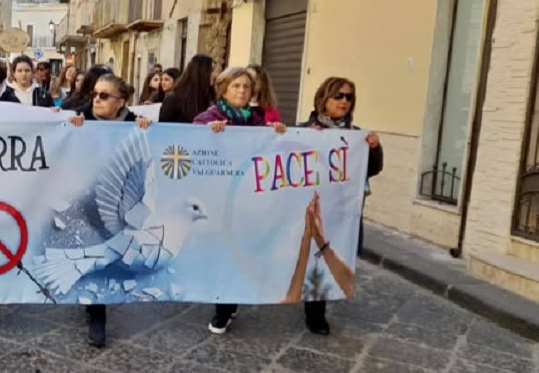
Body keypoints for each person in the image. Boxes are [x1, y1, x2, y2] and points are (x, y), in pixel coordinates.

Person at [193, 67, 286, 335]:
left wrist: (277, 133)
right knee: (224, 253)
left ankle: (229, 300)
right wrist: (208, 135)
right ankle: (223, 308)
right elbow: (191, 149)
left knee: (241, 251)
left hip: (248, 200)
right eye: (236, 86)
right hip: (218, 199)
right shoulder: (207, 119)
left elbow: (271, 153)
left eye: (246, 87)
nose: (242, 91)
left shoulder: (258, 121)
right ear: (224, 90)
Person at [66, 73, 151, 348]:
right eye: (95, 94)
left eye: (104, 96)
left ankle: (97, 302)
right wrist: (68, 125)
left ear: (121, 101)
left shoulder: (134, 122)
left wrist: (149, 128)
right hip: (88, 200)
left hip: (121, 202)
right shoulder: (79, 118)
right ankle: (96, 314)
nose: (97, 100)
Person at [295, 76, 383, 335]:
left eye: (349, 97)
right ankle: (307, 306)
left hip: (341, 212)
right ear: (324, 98)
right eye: (339, 96)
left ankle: (316, 309)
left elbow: (373, 169)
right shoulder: (303, 130)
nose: (345, 101)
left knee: (326, 258)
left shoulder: (356, 137)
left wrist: (375, 149)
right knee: (309, 256)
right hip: (309, 209)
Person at [160, 56, 213, 123]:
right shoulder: (173, 99)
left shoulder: (211, 98)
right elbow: (162, 127)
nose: (215, 74)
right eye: (211, 70)